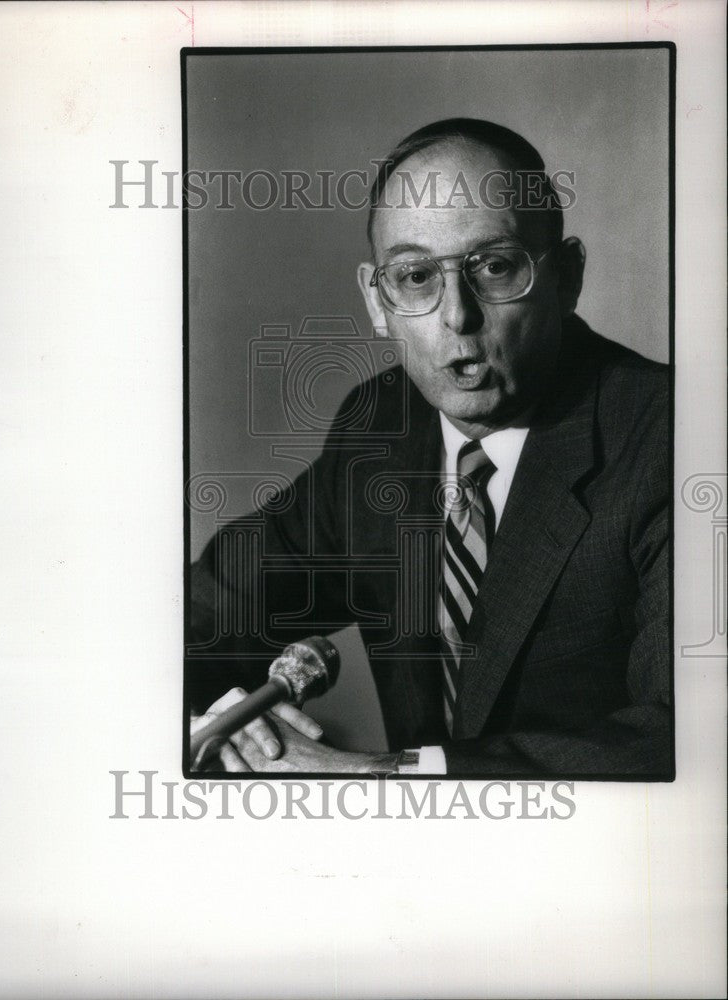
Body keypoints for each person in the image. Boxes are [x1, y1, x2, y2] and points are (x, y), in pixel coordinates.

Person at [186, 118, 671, 778]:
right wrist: (210, 721)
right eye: (415, 276)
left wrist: (385, 775)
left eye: (495, 267)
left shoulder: (674, 438)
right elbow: (209, 612)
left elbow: (680, 737)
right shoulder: (379, 425)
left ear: (567, 279)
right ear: (377, 301)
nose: (456, 316)